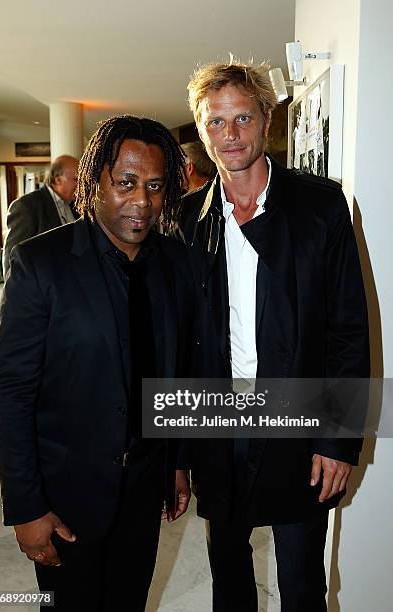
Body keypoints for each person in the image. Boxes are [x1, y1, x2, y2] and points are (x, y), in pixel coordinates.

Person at [176, 60, 370, 611]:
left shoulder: (321, 206)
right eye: (216, 122)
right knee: (229, 581)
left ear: (266, 120)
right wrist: (176, 450)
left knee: (303, 587)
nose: (230, 134)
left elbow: (348, 331)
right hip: (219, 423)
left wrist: (337, 440)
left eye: (242, 118)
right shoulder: (188, 220)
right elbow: (180, 340)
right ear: (201, 129)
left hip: (298, 421)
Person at [0, 115, 192, 611]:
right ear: (94, 179)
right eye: (125, 183)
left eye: (154, 186)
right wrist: (26, 507)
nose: (141, 201)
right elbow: (13, 392)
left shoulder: (173, 263)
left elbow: (173, 369)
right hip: (67, 496)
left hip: (144, 488)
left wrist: (177, 461)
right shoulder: (42, 263)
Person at [3, 155, 79, 276]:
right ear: (58, 179)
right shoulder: (26, 206)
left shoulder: (76, 205)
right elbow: (12, 261)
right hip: (43, 290)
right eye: (76, 179)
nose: (81, 185)